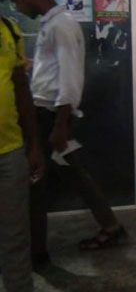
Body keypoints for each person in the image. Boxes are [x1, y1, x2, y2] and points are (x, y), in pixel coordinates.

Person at [0, 0, 127, 268]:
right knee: (72, 174)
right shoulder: (53, 23)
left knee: (36, 182)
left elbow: (70, 79)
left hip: (51, 116)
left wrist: (59, 125)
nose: (17, 8)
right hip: (48, 113)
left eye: (16, 1)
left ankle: (36, 253)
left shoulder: (62, 25)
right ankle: (110, 226)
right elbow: (56, 69)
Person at [0, 15, 44, 292]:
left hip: (10, 151)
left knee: (15, 235)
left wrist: (34, 144)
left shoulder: (8, 29)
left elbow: (21, 89)